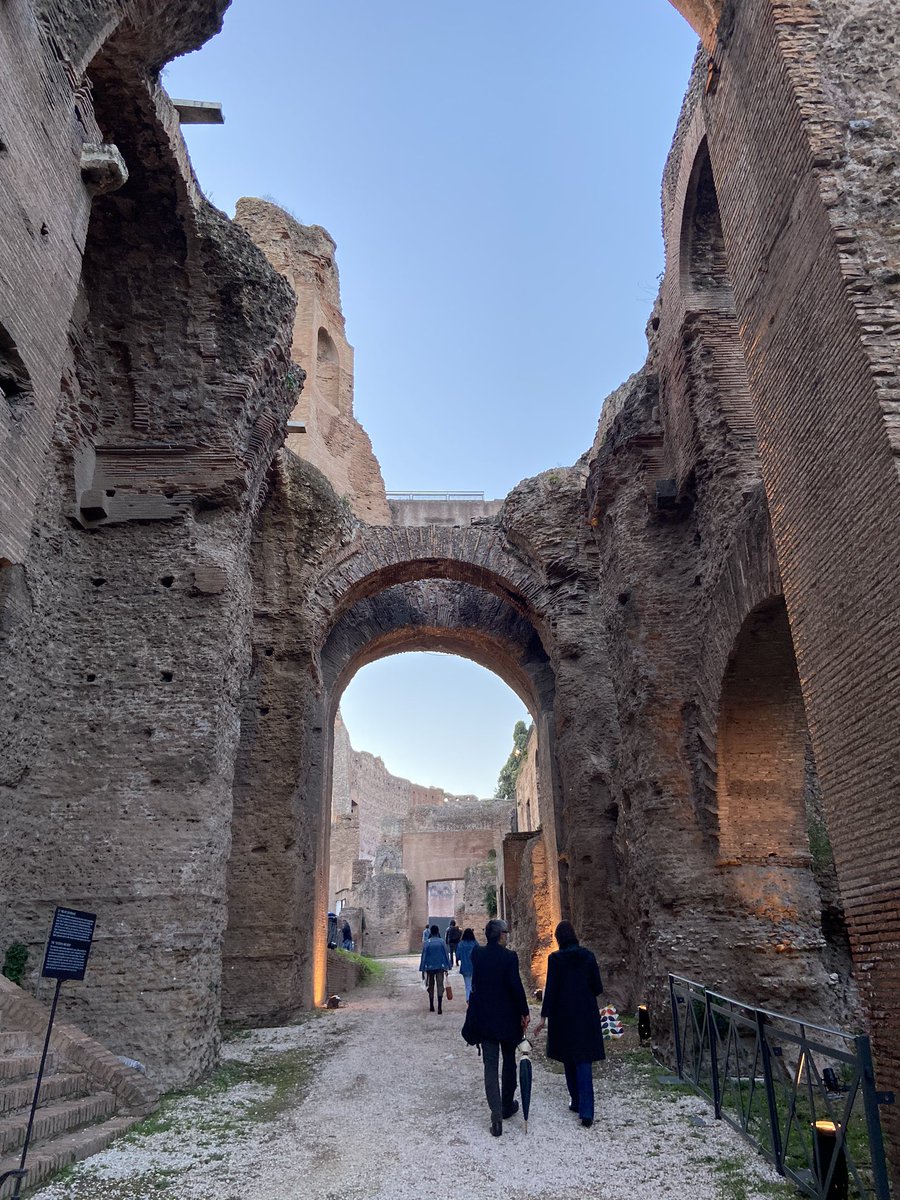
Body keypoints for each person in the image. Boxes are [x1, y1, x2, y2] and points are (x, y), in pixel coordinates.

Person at [533, 921, 604, 1128]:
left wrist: (543, 1018)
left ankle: (576, 1100)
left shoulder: (555, 959)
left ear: (559, 939)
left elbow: (551, 990)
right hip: (585, 1014)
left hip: (563, 1015)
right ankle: (587, 1110)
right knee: (584, 1060)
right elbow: (597, 987)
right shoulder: (589, 956)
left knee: (568, 1058)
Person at [467, 918, 530, 1136]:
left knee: (490, 1067)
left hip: (485, 1020)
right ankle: (506, 1105)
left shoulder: (477, 954)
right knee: (509, 1063)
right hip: (507, 1019)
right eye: (506, 933)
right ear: (501, 935)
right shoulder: (509, 957)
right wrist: (525, 1011)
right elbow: (515, 986)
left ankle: (495, 1117)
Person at [419, 924, 451, 1013]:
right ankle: (440, 1007)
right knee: (440, 986)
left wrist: (422, 968)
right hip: (440, 967)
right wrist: (448, 966)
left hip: (429, 967)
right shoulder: (441, 942)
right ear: (438, 932)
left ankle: (431, 1005)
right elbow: (446, 954)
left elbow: (424, 956)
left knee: (431, 986)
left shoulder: (427, 943)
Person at [455, 927, 478, 1001]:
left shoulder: (461, 944)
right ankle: (474, 999)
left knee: (467, 985)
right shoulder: (475, 943)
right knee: (474, 984)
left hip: (465, 967)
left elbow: (458, 956)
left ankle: (468, 999)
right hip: (474, 967)